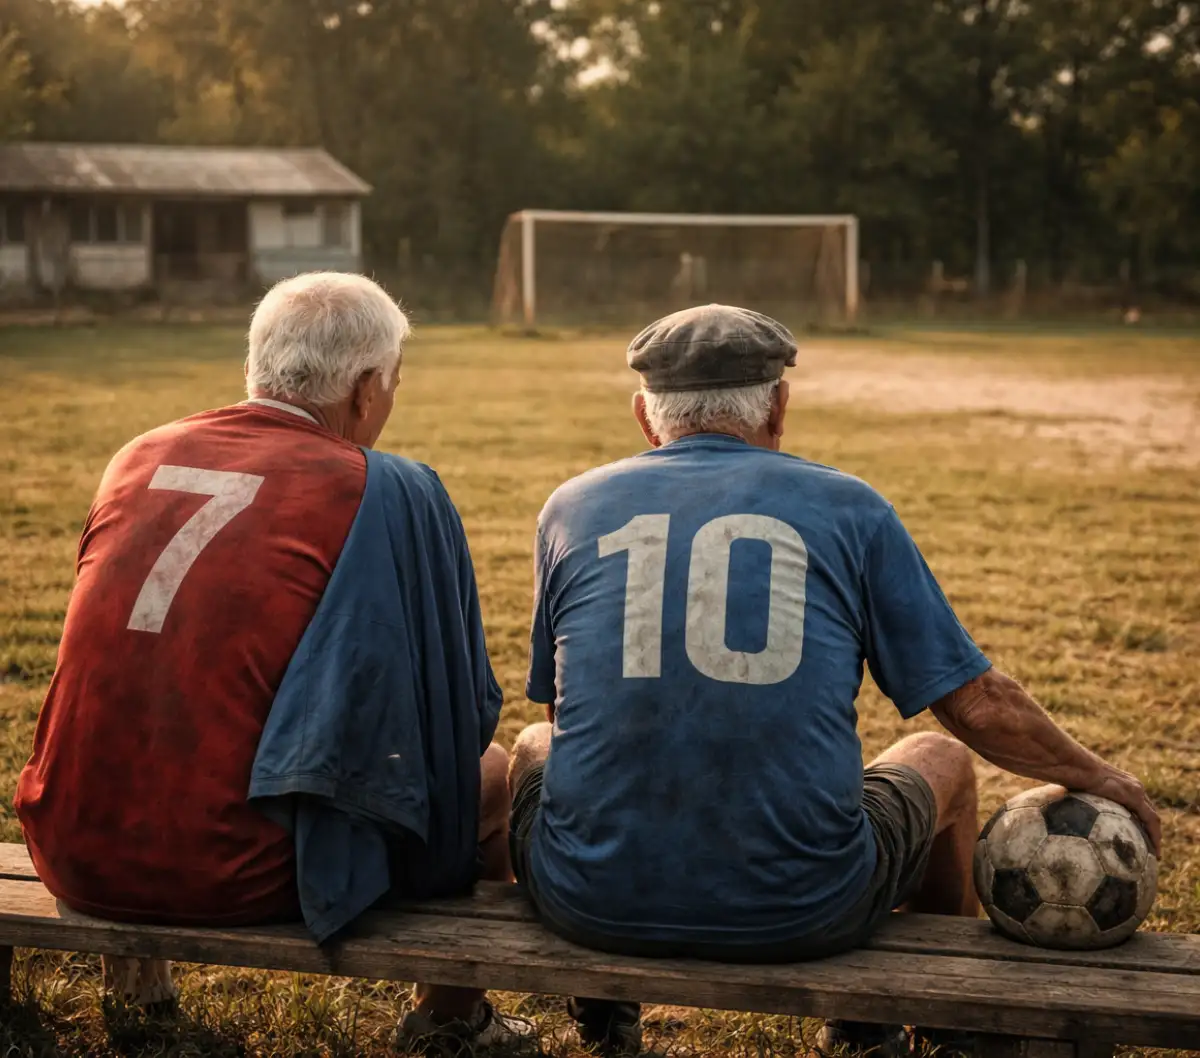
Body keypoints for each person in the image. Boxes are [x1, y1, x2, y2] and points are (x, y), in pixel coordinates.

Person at [507, 304, 1162, 1056]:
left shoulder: (569, 507)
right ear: (779, 407)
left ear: (644, 417)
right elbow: (976, 703)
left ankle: (601, 1012)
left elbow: (566, 715)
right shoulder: (849, 506)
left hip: (586, 901)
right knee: (939, 759)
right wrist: (1098, 775)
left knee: (534, 740)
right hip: (806, 909)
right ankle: (916, 1023)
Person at [14, 272, 526, 1049]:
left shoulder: (138, 454)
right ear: (363, 391)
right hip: (238, 872)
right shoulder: (391, 487)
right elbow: (449, 717)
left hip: (74, 844)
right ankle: (451, 1022)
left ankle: (140, 993)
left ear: (255, 367)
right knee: (491, 773)